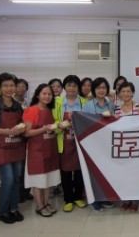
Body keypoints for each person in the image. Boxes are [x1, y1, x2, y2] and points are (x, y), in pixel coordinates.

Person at [0, 73, 26, 224]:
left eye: (11, 85)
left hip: (16, 146)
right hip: (2, 148)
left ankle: (13, 208)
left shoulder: (17, 105)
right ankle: (3, 211)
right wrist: (8, 131)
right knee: (8, 180)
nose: (8, 88)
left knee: (17, 179)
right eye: (5, 85)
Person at [22, 83, 60, 217]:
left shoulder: (49, 110)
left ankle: (46, 202)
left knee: (49, 179)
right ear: (38, 95)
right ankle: (40, 205)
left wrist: (57, 127)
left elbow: (51, 129)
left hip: (50, 149)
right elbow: (27, 133)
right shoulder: (31, 110)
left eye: (49, 94)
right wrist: (45, 128)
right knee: (38, 180)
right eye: (44, 93)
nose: (47, 96)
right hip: (36, 151)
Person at [52, 75, 87, 213]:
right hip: (64, 140)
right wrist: (59, 125)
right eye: (68, 85)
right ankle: (68, 199)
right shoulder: (57, 102)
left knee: (79, 170)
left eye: (74, 85)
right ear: (64, 87)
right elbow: (52, 120)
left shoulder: (85, 102)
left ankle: (78, 197)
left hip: (80, 142)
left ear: (78, 88)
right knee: (65, 172)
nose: (71, 88)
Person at [82, 77, 115, 212]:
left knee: (105, 171)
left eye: (104, 88)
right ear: (94, 90)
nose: (101, 90)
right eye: (98, 88)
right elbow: (82, 123)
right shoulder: (88, 106)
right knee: (93, 172)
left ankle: (104, 197)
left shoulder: (110, 105)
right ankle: (95, 200)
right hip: (92, 143)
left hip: (107, 143)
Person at [115, 82, 139, 212]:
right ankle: (125, 199)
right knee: (123, 174)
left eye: (128, 91)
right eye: (123, 91)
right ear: (119, 94)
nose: (126, 94)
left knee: (135, 174)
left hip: (136, 145)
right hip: (122, 146)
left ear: (133, 93)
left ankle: (135, 200)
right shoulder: (116, 110)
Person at [12, 78, 34, 202]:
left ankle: (25, 191)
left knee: (26, 165)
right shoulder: (11, 102)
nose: (21, 88)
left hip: (26, 137)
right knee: (18, 167)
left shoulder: (27, 102)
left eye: (23, 86)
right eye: (19, 86)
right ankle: (18, 193)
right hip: (14, 137)